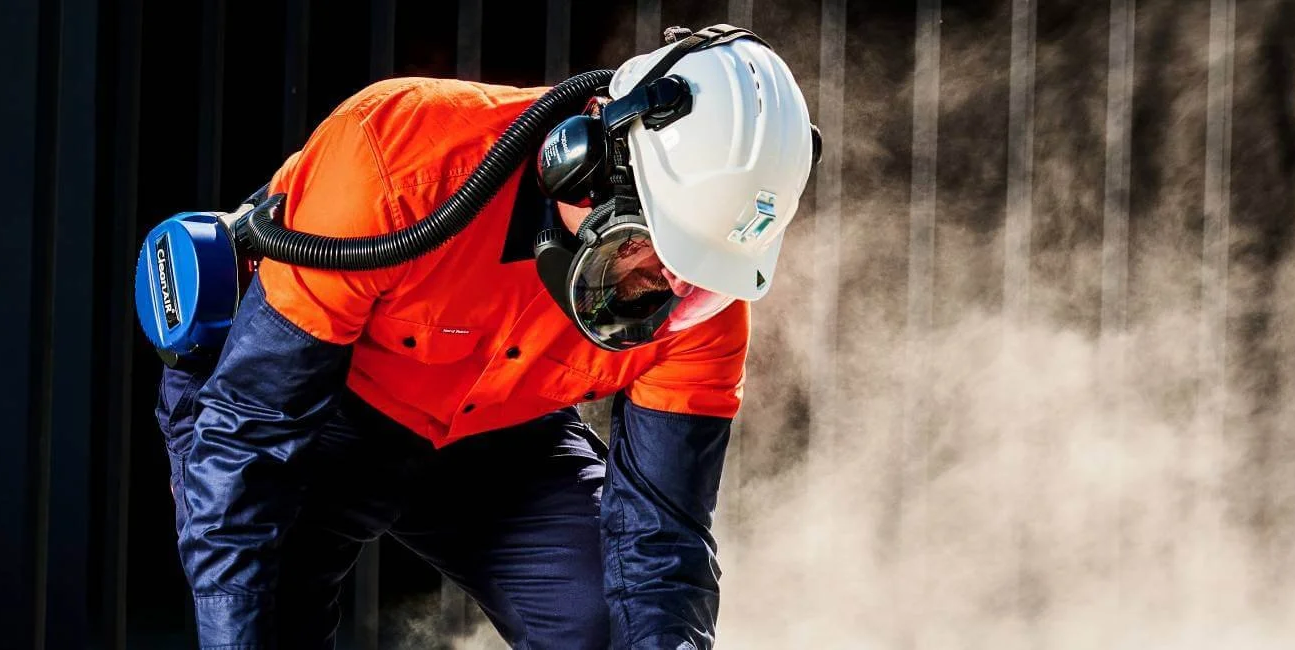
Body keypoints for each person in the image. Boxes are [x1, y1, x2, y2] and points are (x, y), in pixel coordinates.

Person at [151, 24, 817, 649]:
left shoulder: (704, 293)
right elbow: (251, 432)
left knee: (607, 624)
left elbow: (662, 543)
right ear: (584, 166)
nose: (671, 288)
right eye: (656, 248)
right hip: (318, 411)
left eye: (699, 268)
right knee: (263, 609)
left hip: (503, 432)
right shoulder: (396, 155)